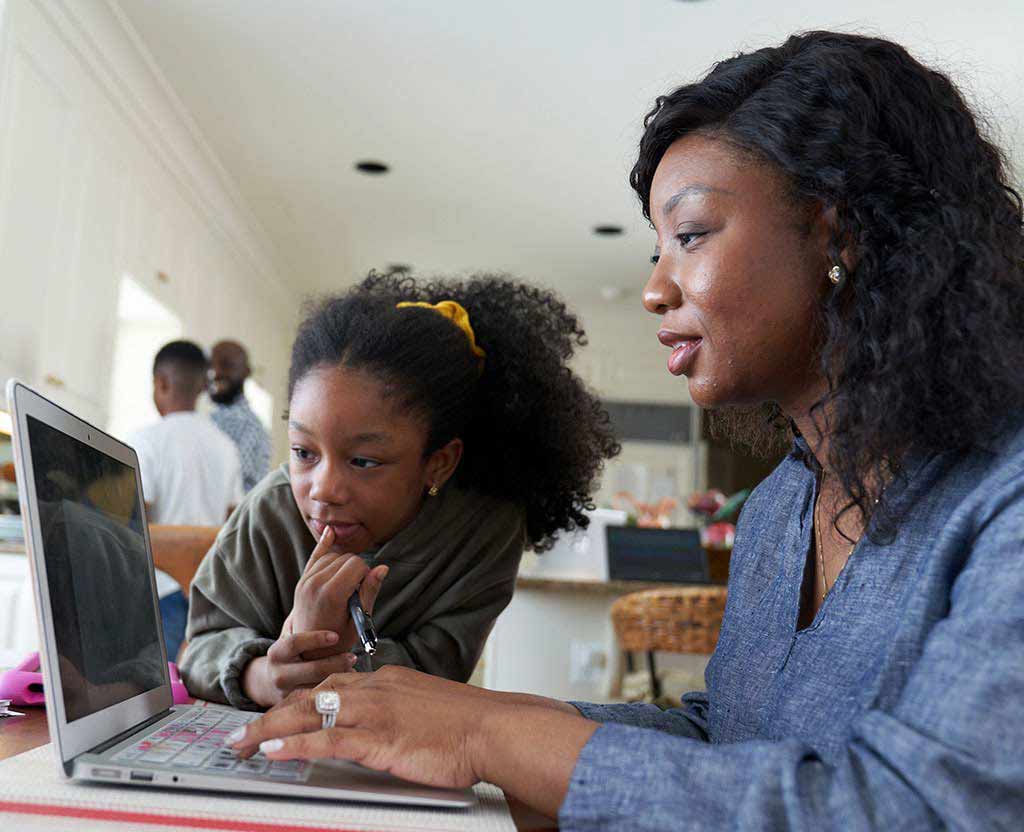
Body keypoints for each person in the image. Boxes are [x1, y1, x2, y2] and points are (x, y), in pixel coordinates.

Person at [230, 31, 1024, 830]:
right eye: (656, 247)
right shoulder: (783, 507)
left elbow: (923, 811)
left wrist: (485, 732)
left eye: (691, 235)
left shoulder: (1007, 496)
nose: (653, 289)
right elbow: (724, 744)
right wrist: (433, 719)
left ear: (839, 232)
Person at [181, 274, 620, 710]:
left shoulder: (483, 529)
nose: (324, 490)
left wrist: (339, 655)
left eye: (364, 461)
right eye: (303, 452)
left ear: (439, 463)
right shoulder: (273, 509)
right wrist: (261, 675)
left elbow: (439, 674)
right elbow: (201, 644)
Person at [130, 340, 244, 661]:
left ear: (161, 383)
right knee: (194, 687)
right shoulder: (225, 447)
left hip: (159, 592)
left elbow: (131, 523)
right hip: (208, 595)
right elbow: (233, 521)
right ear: (201, 387)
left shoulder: (144, 441)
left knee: (152, 693)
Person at [209, 340, 272, 494]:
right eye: (210, 365)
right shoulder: (214, 418)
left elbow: (224, 480)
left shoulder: (247, 424)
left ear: (247, 371)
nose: (216, 372)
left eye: (226, 365)